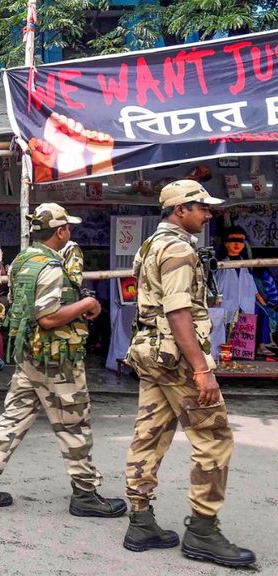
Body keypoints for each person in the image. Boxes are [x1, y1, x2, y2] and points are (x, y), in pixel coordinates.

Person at [0, 203, 126, 519]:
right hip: (55, 359)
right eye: (68, 228)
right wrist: (88, 303)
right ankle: (86, 494)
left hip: (30, 356)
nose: (70, 233)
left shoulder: (23, 259)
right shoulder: (50, 266)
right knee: (74, 424)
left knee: (13, 417)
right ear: (61, 231)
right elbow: (48, 317)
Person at [121, 180, 255, 567]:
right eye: (202, 207)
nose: (208, 213)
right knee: (214, 437)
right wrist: (202, 369)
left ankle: (141, 520)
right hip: (176, 356)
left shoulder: (151, 245)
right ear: (180, 210)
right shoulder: (178, 248)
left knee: (150, 433)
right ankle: (203, 531)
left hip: (150, 352)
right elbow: (178, 311)